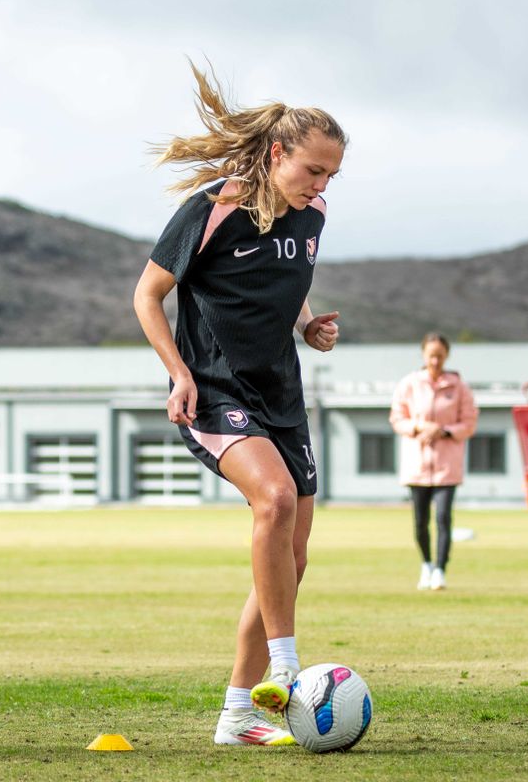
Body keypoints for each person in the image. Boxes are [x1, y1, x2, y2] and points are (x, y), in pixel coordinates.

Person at [132, 62, 346, 744]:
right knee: (274, 502)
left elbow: (283, 285)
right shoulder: (211, 208)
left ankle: (236, 716)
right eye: (313, 170)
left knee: (292, 559)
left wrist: (308, 325)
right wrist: (178, 374)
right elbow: (146, 297)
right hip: (214, 392)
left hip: (283, 396)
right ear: (278, 152)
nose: (321, 185)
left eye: (331, 176)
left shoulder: (313, 217)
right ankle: (286, 669)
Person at [389, 333, 478, 591]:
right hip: (417, 465)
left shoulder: (459, 387)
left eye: (440, 355)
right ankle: (426, 564)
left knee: (442, 517)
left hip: (447, 466)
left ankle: (440, 568)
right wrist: (419, 427)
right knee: (420, 521)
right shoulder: (409, 384)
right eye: (431, 355)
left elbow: (469, 421)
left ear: (446, 355)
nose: (435, 360)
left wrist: (444, 430)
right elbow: (397, 418)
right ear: (423, 355)